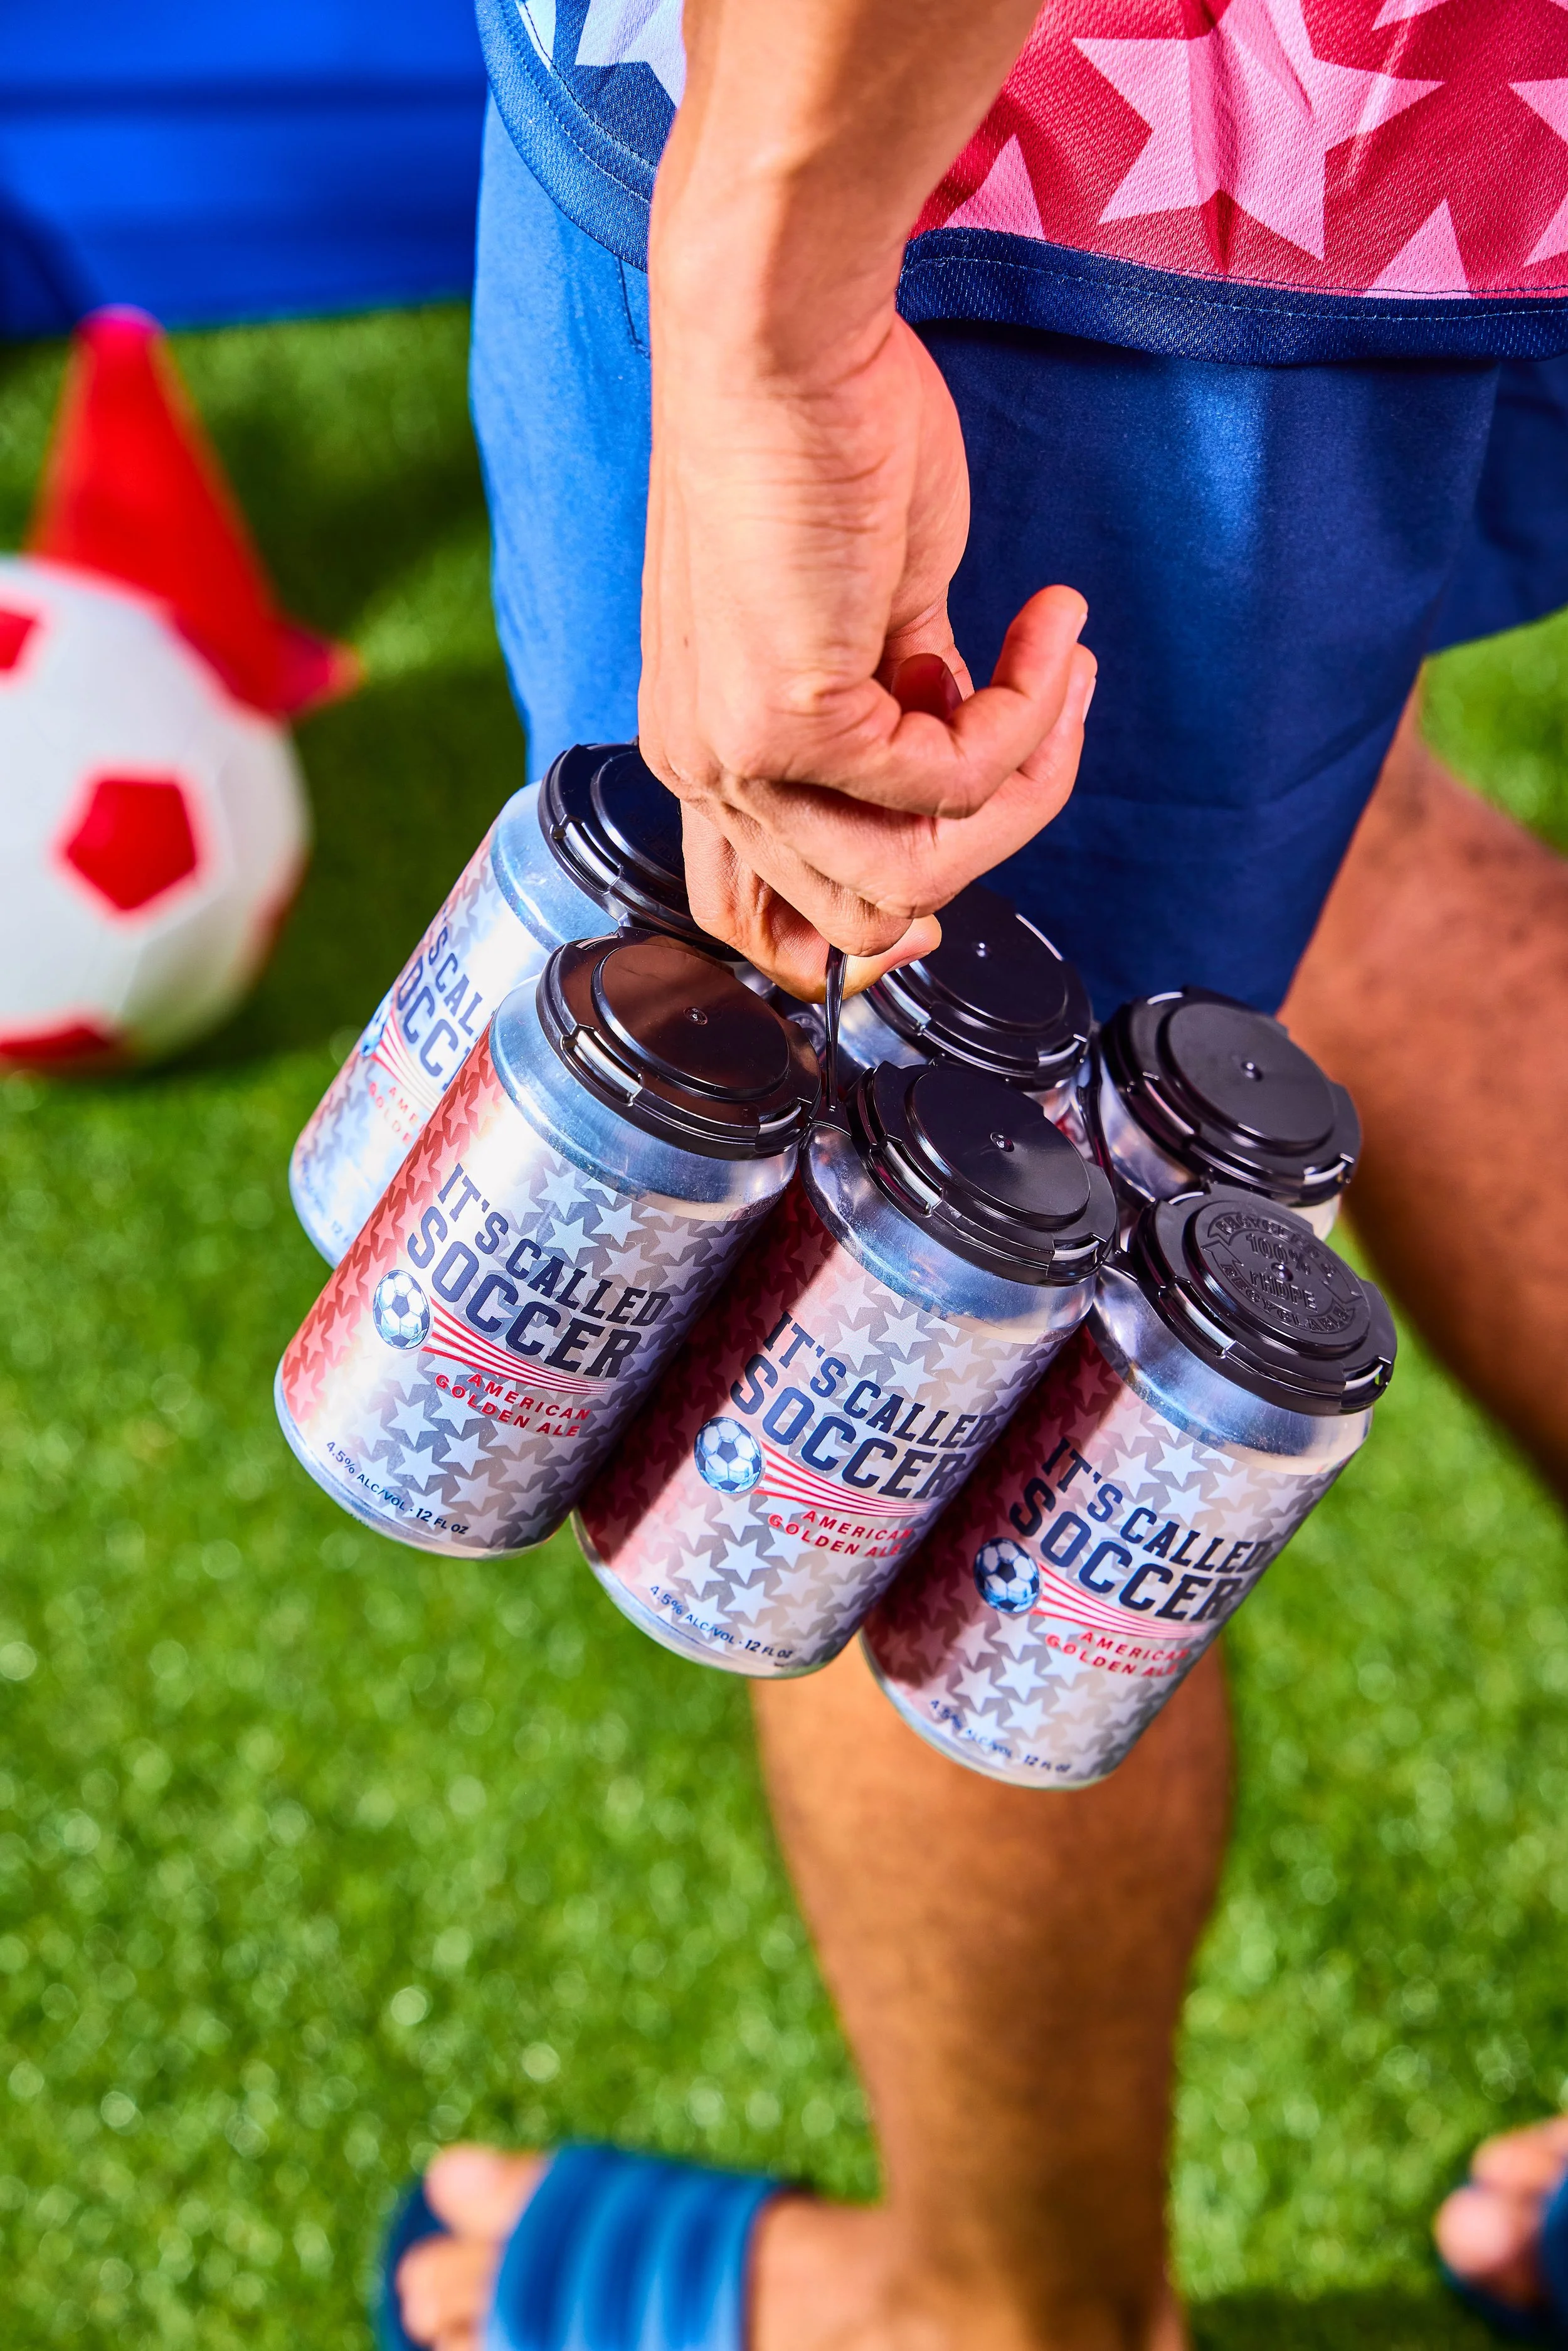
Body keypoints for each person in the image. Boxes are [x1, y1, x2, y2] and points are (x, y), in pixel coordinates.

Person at [384, 0, 1568, 2343]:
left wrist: (776, 303)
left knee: (882, 1211)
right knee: (1320, 859)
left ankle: (1009, 2304)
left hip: (1055, 133)